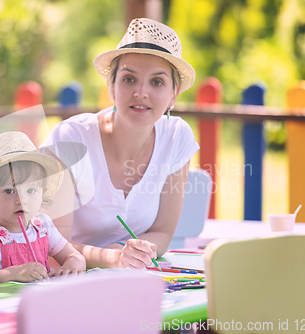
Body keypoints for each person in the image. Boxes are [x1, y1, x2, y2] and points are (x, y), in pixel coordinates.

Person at [40, 18, 200, 269]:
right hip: (65, 282)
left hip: (131, 280)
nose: (141, 92)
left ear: (174, 93)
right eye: (128, 79)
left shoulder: (176, 137)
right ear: (111, 85)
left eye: (157, 82)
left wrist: (126, 252)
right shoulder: (71, 138)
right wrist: (112, 257)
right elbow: (51, 246)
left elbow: (162, 234)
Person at [0, 131, 86, 288]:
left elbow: (74, 255)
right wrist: (13, 273)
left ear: (43, 192)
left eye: (30, 191)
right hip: (1, 307)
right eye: (9, 191)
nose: (21, 200)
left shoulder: (43, 226)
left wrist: (72, 265)